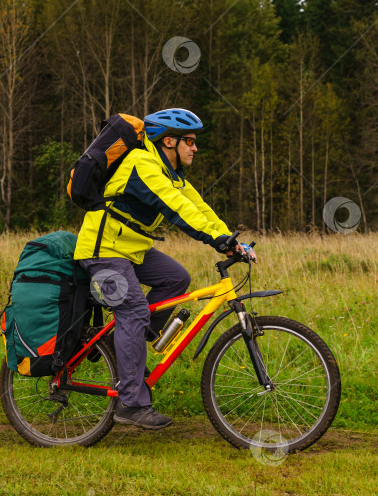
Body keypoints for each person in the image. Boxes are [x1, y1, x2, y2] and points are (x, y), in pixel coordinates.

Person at [74, 108, 256, 430]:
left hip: (131, 250)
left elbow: (199, 208)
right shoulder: (143, 165)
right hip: (103, 251)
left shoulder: (171, 175)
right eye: (190, 141)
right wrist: (217, 241)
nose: (195, 148)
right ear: (168, 141)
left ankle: (125, 351)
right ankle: (130, 404)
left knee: (176, 278)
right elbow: (177, 208)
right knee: (133, 311)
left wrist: (231, 240)